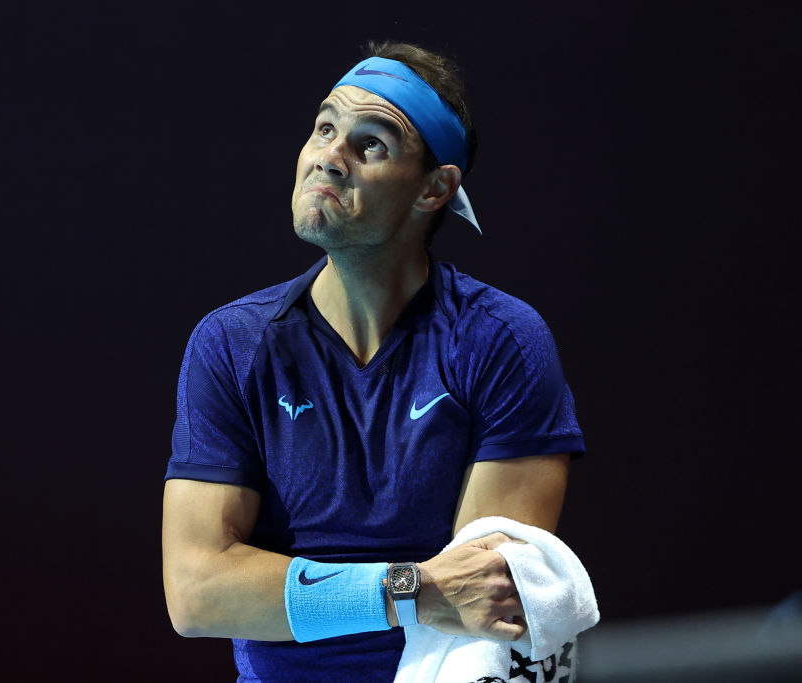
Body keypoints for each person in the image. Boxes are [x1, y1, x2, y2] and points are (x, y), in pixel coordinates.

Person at [162, 41, 585, 682]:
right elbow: (197, 591)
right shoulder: (230, 344)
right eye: (325, 127)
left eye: (371, 145)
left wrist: (349, 594)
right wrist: (411, 587)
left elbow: (485, 600)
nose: (329, 157)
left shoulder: (502, 340)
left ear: (435, 189)